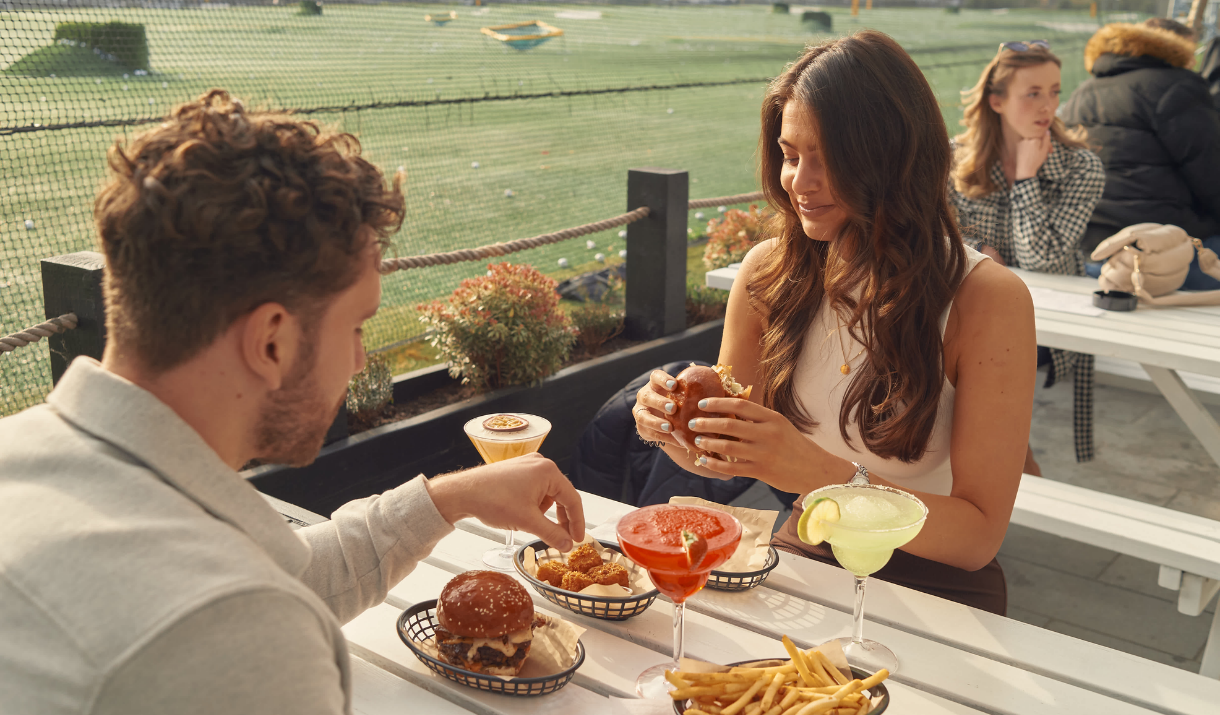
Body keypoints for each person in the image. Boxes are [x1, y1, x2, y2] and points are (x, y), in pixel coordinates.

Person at [0, 90, 585, 714]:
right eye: (356, 326)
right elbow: (240, 614)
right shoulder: (233, 636)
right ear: (272, 341)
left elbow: (280, 581)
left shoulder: (33, 458)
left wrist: (449, 498)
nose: (360, 359)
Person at [633, 31, 1037, 615]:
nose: (798, 181)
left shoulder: (986, 299)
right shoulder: (766, 274)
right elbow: (719, 460)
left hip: (936, 582)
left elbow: (977, 538)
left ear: (894, 158)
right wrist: (671, 429)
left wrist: (821, 476)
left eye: (828, 159)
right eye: (791, 155)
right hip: (807, 556)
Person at [950, 40, 1105, 465]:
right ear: (997, 100)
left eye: (1055, 91)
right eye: (1033, 93)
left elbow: (1041, 258)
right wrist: (981, 250)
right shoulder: (954, 161)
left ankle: (992, 494)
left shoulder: (1082, 167)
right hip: (967, 306)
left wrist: (1025, 179)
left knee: (969, 379)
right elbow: (939, 236)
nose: (1047, 106)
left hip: (1048, 319)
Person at [1060, 21, 1220, 290]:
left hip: (1096, 252)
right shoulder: (1176, 86)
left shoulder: (1080, 94)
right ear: (1174, 48)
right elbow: (1211, 173)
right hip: (1165, 253)